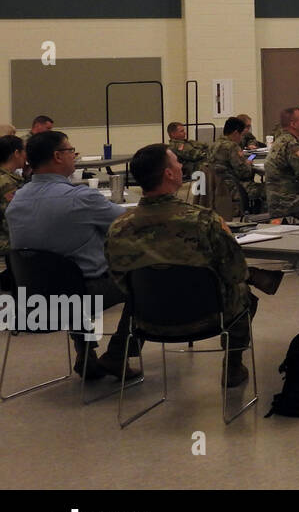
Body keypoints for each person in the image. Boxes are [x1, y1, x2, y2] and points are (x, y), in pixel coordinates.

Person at [107, 144, 281, 387]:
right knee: (243, 293)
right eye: (177, 162)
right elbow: (236, 272)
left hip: (147, 319)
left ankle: (118, 354)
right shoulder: (204, 220)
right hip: (207, 317)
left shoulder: (118, 227)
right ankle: (233, 365)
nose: (181, 166)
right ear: (169, 174)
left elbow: (120, 279)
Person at [6, 131, 137, 380]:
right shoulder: (81, 199)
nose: (74, 156)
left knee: (68, 275)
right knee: (141, 280)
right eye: (71, 151)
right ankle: (118, 355)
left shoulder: (17, 200)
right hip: (82, 295)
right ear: (58, 156)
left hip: (31, 300)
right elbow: (128, 223)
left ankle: (85, 352)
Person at [209, 116, 264, 212]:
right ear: (235, 133)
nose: (242, 138)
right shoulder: (232, 147)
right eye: (241, 135)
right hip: (235, 187)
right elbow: (245, 173)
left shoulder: (213, 145)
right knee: (269, 188)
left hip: (219, 187)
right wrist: (248, 162)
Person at [0, 135, 26, 284]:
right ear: (16, 153)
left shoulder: (9, 177)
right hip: (6, 243)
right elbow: (12, 217)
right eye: (24, 151)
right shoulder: (6, 183)